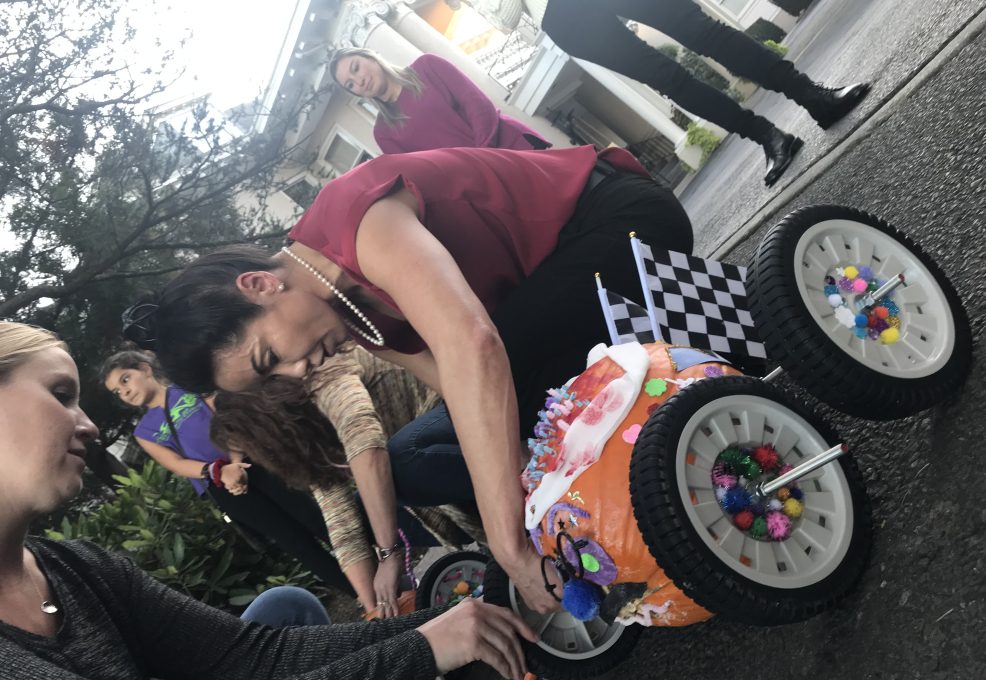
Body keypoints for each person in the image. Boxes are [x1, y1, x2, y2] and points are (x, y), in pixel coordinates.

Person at [133, 143, 693, 615]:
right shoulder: (355, 316)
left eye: (268, 357)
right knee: (420, 450)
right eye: (271, 378)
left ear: (259, 286)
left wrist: (510, 544)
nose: (295, 372)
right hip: (551, 297)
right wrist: (534, 496)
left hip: (622, 220)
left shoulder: (356, 220)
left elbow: (472, 346)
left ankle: (670, 445)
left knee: (505, 381)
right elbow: (454, 388)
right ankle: (622, 500)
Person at [0, 320, 536, 680]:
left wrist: (443, 618)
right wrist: (419, 647)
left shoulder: (80, 568)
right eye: (61, 395)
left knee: (290, 607)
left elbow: (254, 655)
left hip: (429, 428)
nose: (90, 426)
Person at [468, 0, 869, 186]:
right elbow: (502, 15)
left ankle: (814, 97)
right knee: (666, 79)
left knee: (702, 30)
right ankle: (770, 137)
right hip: (558, 14)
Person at [210, 345, 482, 619]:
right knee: (360, 511)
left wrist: (389, 555)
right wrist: (376, 609)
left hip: (458, 417)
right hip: (432, 465)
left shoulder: (322, 375)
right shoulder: (310, 442)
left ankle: (508, 498)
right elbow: (341, 525)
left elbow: (367, 446)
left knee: (392, 470)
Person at [100, 349, 358, 604]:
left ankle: (383, 562)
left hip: (252, 460)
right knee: (297, 544)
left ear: (145, 369)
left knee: (316, 517)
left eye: (125, 379)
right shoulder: (144, 431)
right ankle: (362, 595)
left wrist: (235, 461)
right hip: (223, 487)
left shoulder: (189, 385)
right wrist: (220, 472)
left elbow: (228, 415)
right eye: (117, 392)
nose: (124, 392)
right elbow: (176, 464)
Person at [330, 48, 551, 153]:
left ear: (370, 56)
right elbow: (426, 175)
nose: (358, 81)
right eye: (350, 84)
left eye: (356, 68)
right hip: (483, 187)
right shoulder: (383, 133)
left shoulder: (427, 66)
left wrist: (484, 155)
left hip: (510, 146)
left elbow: (476, 104)